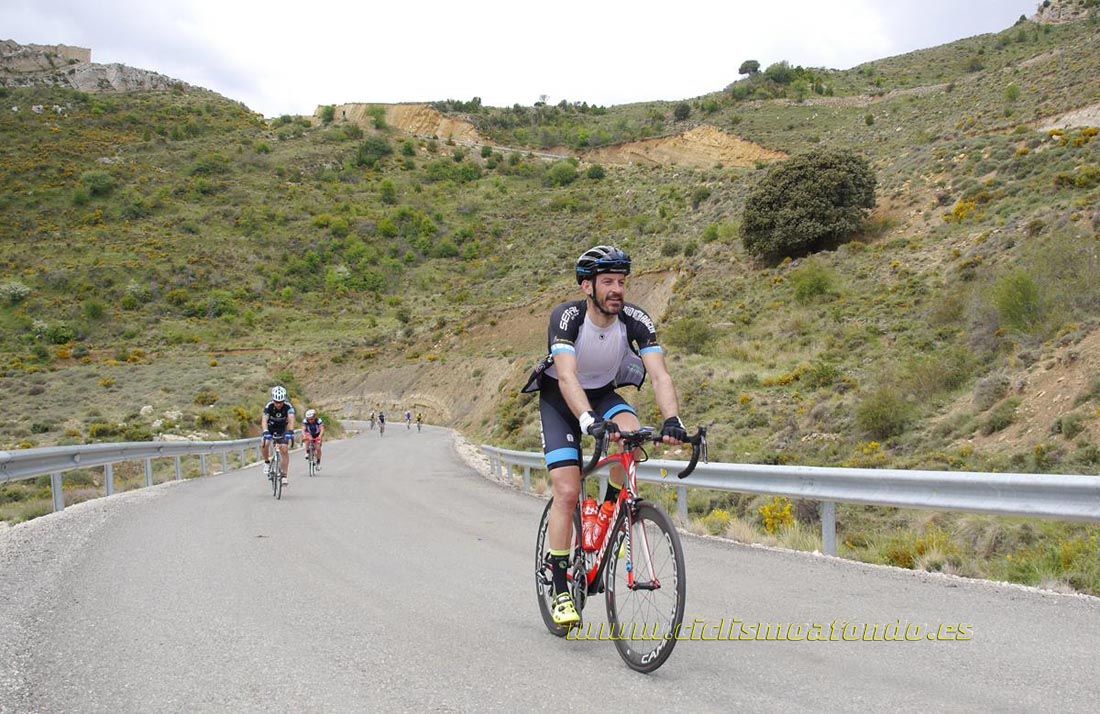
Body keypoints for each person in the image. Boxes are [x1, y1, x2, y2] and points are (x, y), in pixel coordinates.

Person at [522, 244, 690, 629]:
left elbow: (661, 375)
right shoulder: (566, 317)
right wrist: (585, 420)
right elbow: (565, 376)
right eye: (608, 281)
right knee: (566, 490)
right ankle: (561, 585)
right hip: (561, 399)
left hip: (603, 393)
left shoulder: (635, 319)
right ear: (587, 286)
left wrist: (673, 420)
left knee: (631, 435)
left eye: (622, 282)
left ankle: (610, 505)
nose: (617, 289)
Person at [261, 386, 296, 487]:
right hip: (271, 428)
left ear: (284, 400)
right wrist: (265, 431)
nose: (278, 404)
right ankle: (267, 463)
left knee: (284, 449)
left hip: (283, 429)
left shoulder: (288, 406)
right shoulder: (269, 406)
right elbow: (264, 420)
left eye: (281, 402)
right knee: (265, 443)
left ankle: (284, 475)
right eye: (276, 402)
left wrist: (290, 431)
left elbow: (291, 419)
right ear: (273, 400)